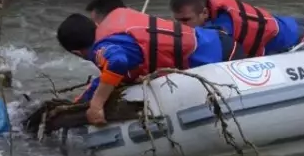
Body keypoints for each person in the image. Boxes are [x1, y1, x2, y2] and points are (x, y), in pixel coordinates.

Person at [56, 7, 241, 126]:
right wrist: (77, 105)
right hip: (216, 40)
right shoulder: (113, 33)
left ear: (77, 53)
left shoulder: (103, 48)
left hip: (223, 55)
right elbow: (104, 81)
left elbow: (117, 63)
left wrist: (96, 105)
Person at [169, 0, 304, 58]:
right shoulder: (213, 14)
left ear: (205, 13)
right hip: (295, 25)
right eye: (177, 21)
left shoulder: (222, 28)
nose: (181, 27)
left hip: (303, 38)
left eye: (186, 20)